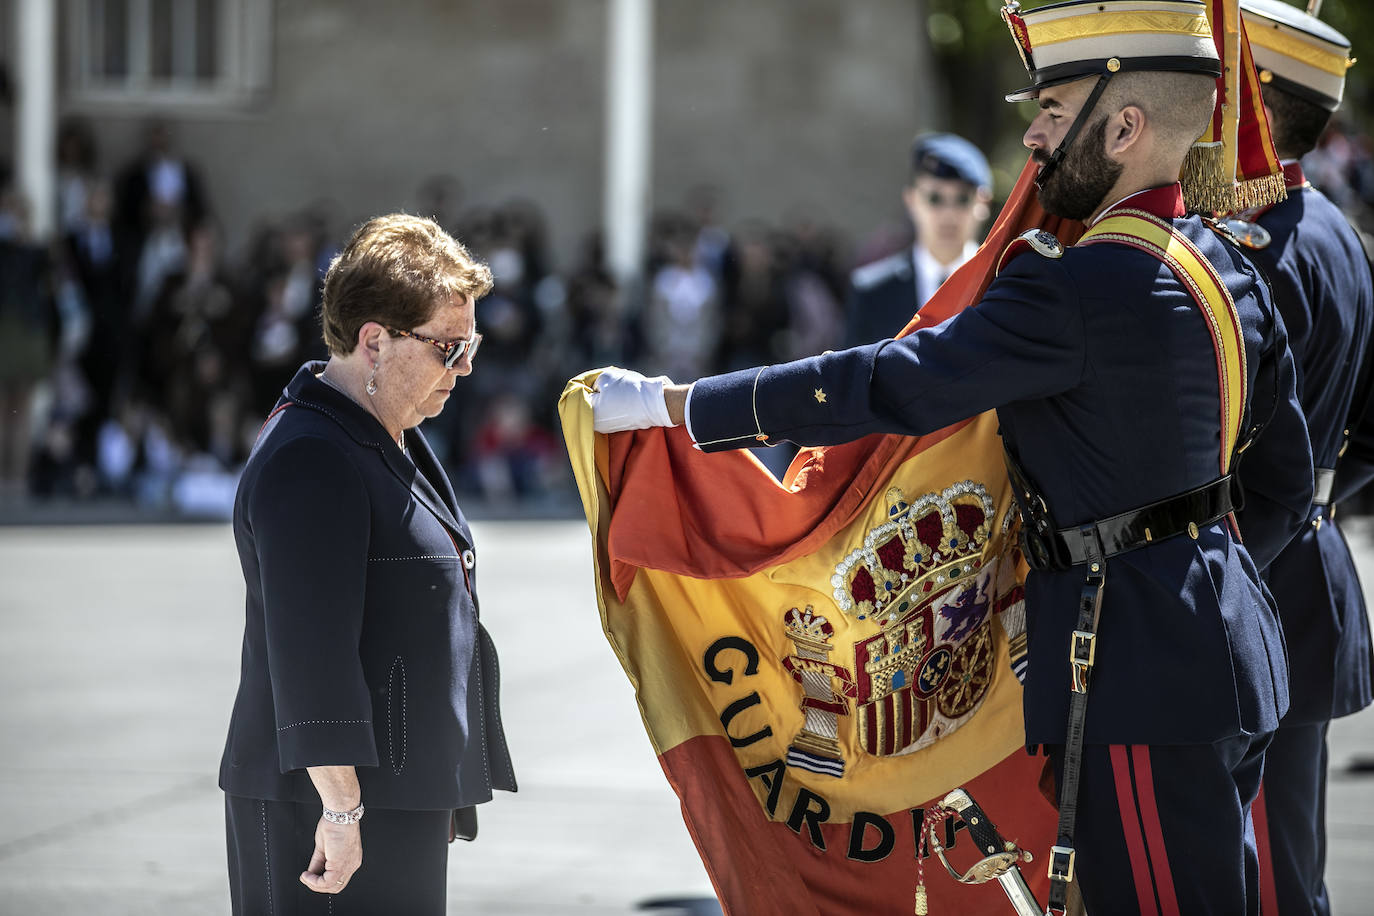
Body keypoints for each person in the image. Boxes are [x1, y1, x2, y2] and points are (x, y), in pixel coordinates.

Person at [588, 2, 1315, 912]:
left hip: (1134, 674)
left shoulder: (1077, 283)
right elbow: (1285, 484)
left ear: (1124, 127)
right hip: (1231, 647)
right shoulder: (1228, 265)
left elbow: (897, 381)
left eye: (1054, 115)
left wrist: (681, 406)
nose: (1034, 136)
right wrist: (1200, 582)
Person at [219, 214, 516, 915]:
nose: (467, 366)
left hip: (391, 797)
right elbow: (310, 654)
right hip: (324, 808)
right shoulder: (313, 456)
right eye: (450, 346)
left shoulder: (384, 430)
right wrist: (343, 811)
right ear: (374, 341)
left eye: (471, 343)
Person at [1231, 4, 1374, 913]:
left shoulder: (1253, 249)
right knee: (1290, 874)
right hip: (1308, 567)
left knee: (1266, 880)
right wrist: (1321, 494)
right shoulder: (1339, 235)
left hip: (1254, 578)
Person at [843, 132, 992, 346]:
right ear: (911, 201)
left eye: (962, 199)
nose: (948, 214)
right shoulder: (871, 292)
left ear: (983, 203)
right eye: (935, 198)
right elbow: (853, 375)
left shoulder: (1000, 285)